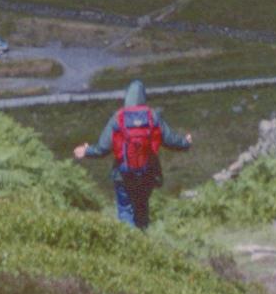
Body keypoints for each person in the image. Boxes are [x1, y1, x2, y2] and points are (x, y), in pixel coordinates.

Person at [74, 80, 190, 229]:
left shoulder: (118, 117)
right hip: (147, 173)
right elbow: (171, 140)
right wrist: (186, 142)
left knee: (125, 210)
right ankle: (143, 243)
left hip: (122, 174)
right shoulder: (152, 116)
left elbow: (103, 148)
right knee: (141, 209)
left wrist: (87, 150)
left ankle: (130, 244)